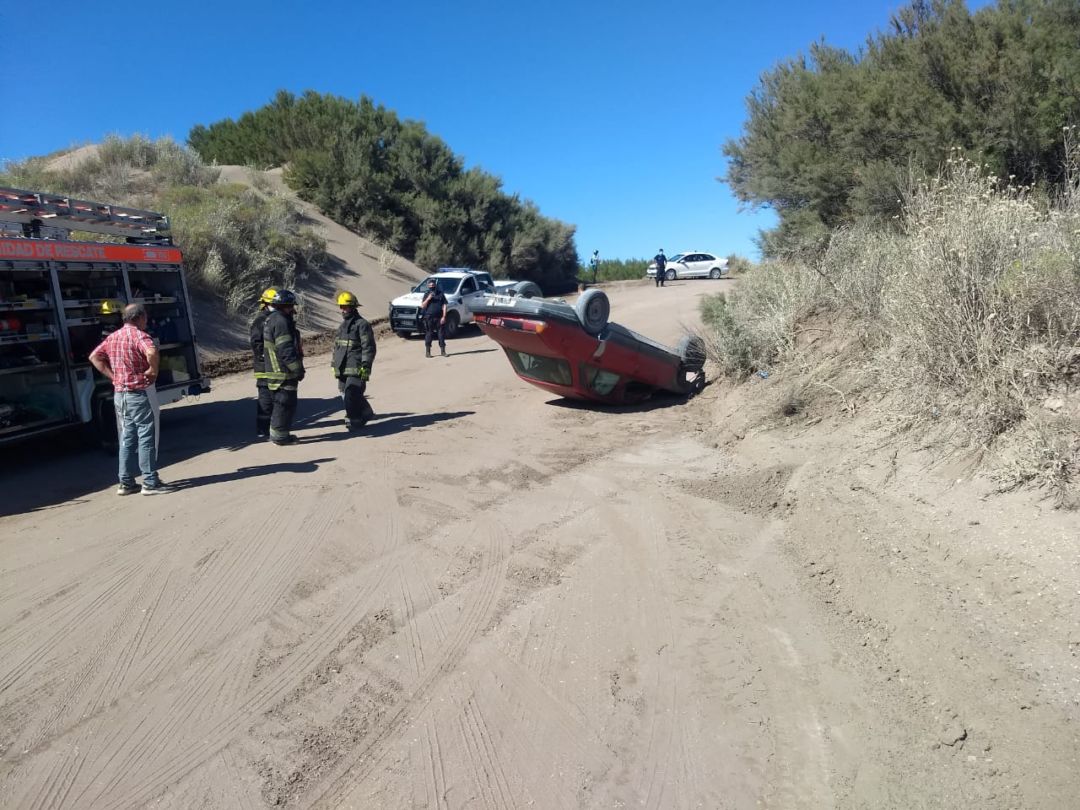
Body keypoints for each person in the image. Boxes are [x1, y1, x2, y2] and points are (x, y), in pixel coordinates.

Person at [89, 303, 174, 495]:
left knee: (127, 437)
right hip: (138, 392)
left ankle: (126, 482)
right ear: (140, 317)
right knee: (146, 435)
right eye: (145, 317)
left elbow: (94, 357)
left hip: (120, 394)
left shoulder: (112, 337)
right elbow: (151, 351)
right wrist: (153, 370)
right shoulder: (139, 336)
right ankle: (150, 481)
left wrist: (113, 376)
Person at [262, 289, 305, 445]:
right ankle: (280, 437)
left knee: (281, 403)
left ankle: (279, 434)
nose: (293, 310)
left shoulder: (273, 319)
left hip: (276, 370)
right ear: (285, 306)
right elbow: (286, 350)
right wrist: (297, 369)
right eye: (291, 306)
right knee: (285, 403)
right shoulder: (281, 322)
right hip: (283, 372)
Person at [332, 291, 377, 431]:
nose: (343, 310)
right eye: (341, 307)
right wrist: (334, 364)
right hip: (342, 366)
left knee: (351, 393)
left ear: (353, 307)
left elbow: (368, 347)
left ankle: (355, 420)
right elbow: (337, 346)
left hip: (356, 365)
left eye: (346, 307)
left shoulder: (362, 324)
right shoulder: (342, 326)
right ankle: (366, 412)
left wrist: (366, 365)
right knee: (346, 393)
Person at [250, 287, 277, 439]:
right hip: (264, 366)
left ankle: (272, 426)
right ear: (265, 304)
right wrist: (264, 356)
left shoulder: (273, 319)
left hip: (273, 365)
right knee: (266, 398)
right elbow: (256, 342)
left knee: (275, 397)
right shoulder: (261, 321)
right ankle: (262, 429)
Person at [420, 278, 448, 358]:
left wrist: (444, 316)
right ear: (428, 286)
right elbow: (422, 306)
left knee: (441, 334)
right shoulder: (426, 294)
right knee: (429, 334)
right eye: (430, 285)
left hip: (439, 317)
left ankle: (443, 351)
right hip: (429, 318)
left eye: (433, 285)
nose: (432, 286)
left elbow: (444, 305)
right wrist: (428, 299)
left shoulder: (441, 294)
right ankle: (428, 352)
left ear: (435, 285)